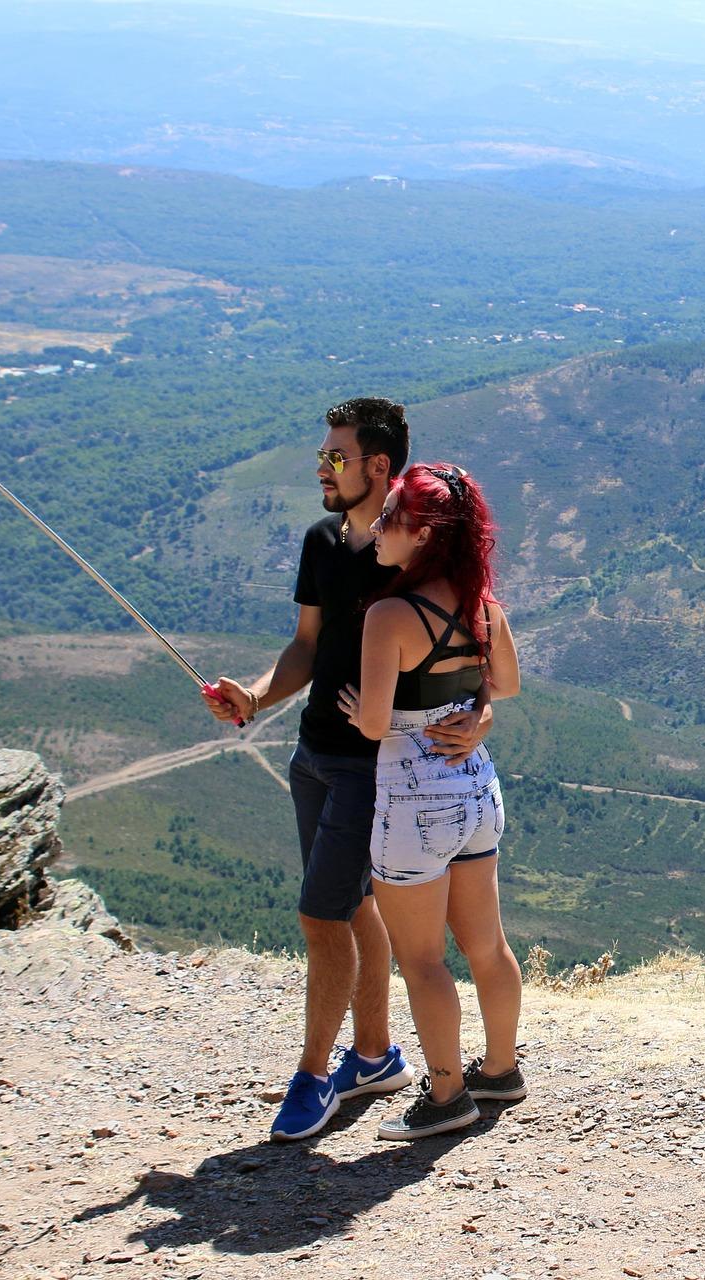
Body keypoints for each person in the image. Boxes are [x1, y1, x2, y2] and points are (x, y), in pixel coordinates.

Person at [203, 400, 493, 1142]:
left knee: (320, 914)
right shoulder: (322, 540)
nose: (322, 466)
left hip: (378, 769)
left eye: (336, 455)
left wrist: (480, 710)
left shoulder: (408, 550)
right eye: (323, 454)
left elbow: (465, 636)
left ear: (378, 466)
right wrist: (256, 696)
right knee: (353, 908)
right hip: (315, 756)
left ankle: (310, 1078)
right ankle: (371, 1056)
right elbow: (306, 646)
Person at [336, 462, 524, 1140]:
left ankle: (446, 1097)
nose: (378, 529)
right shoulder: (482, 605)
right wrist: (478, 716)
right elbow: (505, 685)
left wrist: (361, 711)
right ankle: (499, 1070)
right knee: (486, 944)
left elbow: (380, 723)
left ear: (420, 534)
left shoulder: (389, 614)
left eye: (389, 518)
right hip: (475, 784)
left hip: (414, 803)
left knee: (420, 958)